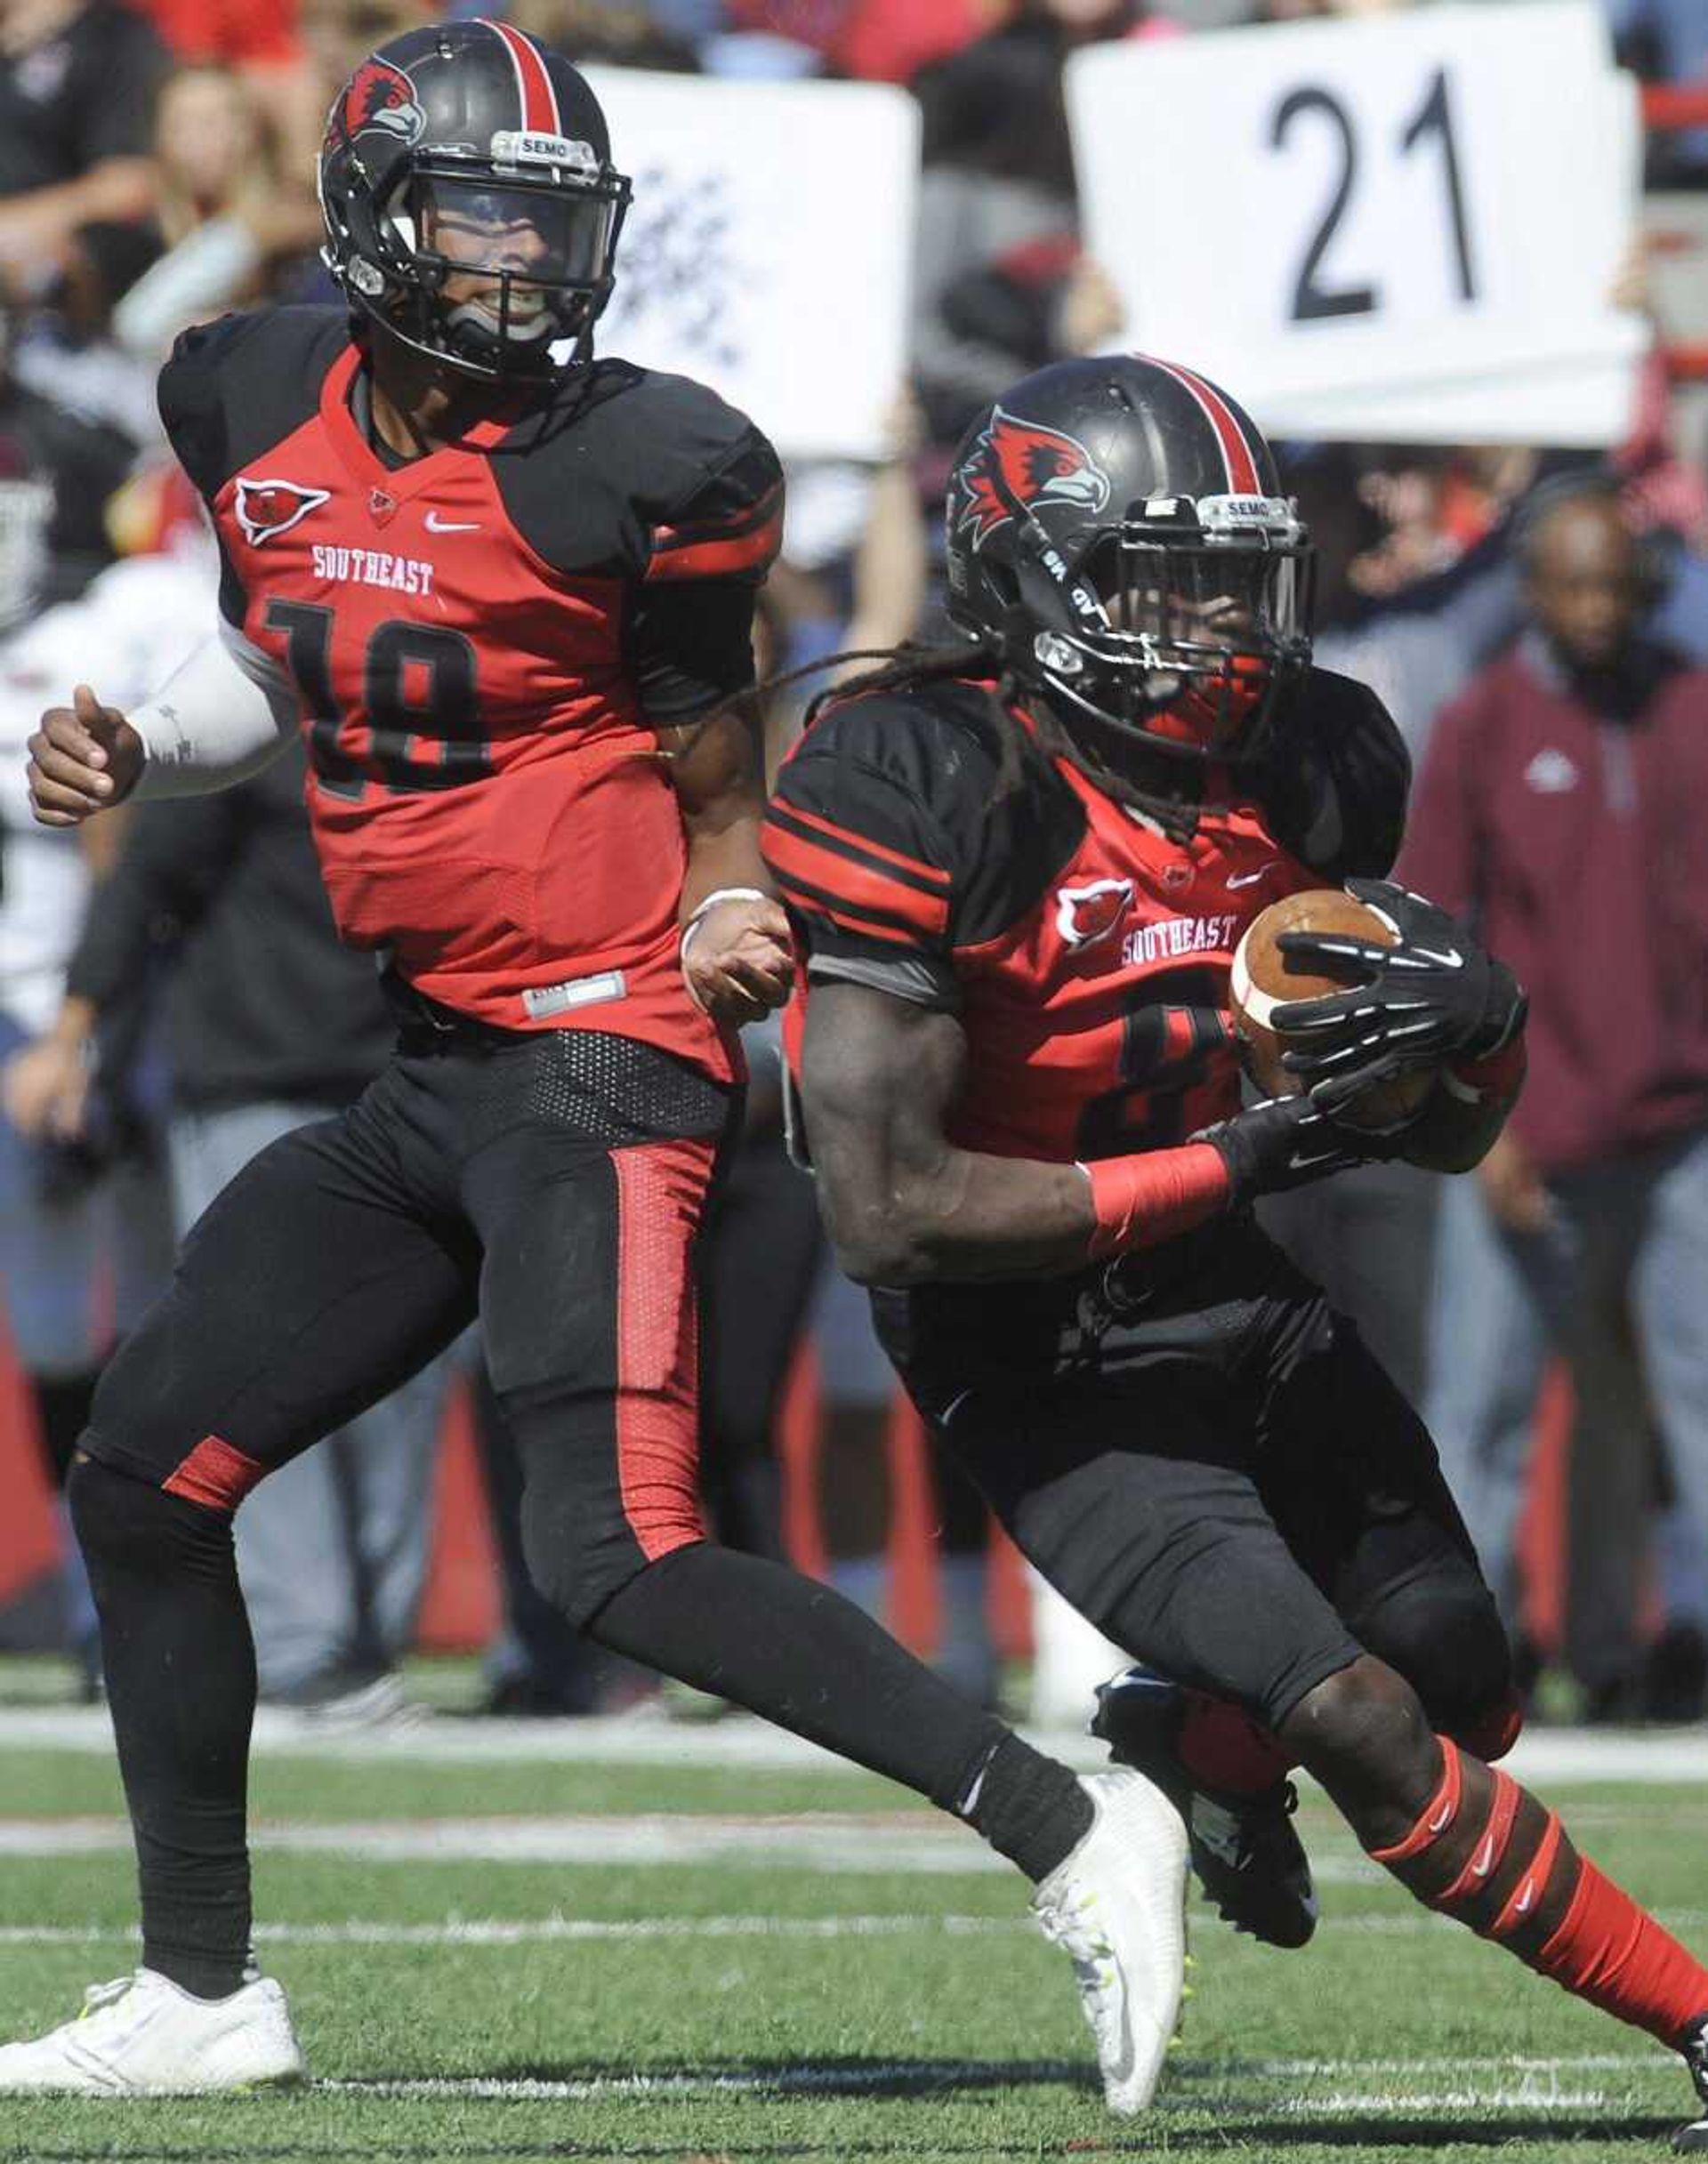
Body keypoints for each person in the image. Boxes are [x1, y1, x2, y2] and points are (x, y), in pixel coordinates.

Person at [0, 23, 1188, 2110]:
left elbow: (708, 752)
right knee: (146, 1471)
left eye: (558, 225)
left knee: (610, 1551)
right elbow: (280, 648)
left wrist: (734, 901)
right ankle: (204, 1988)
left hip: (599, 1050)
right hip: (434, 1065)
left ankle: (1078, 1822)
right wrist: (134, 736)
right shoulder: (245, 388)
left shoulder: (650, 461)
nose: (527, 267)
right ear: (374, 211)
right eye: (484, 216)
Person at [761, 351, 1708, 2139]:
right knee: (1359, 1716)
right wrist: (1232, 1155)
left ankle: (1192, 1742)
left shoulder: (1317, 756)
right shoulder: (918, 769)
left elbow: (1434, 1129)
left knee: (1464, 1681)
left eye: (1234, 572)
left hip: (1224, 1284)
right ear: (1031, 576)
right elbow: (885, 1207)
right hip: (1034, 1344)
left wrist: (1476, 1029)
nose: (1212, 619)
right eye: (1156, 575)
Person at [1404, 473, 1708, 1721]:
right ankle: (1482, 1645)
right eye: (1570, 583)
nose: (1594, 609)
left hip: (1685, 1126)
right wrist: (1475, 1116)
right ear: (1529, 589)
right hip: (1525, 1120)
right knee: (1483, 1397)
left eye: (1612, 584)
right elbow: (1429, 929)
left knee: (1690, 1394)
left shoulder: (1692, 708)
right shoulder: (1480, 722)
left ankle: (1683, 1631)